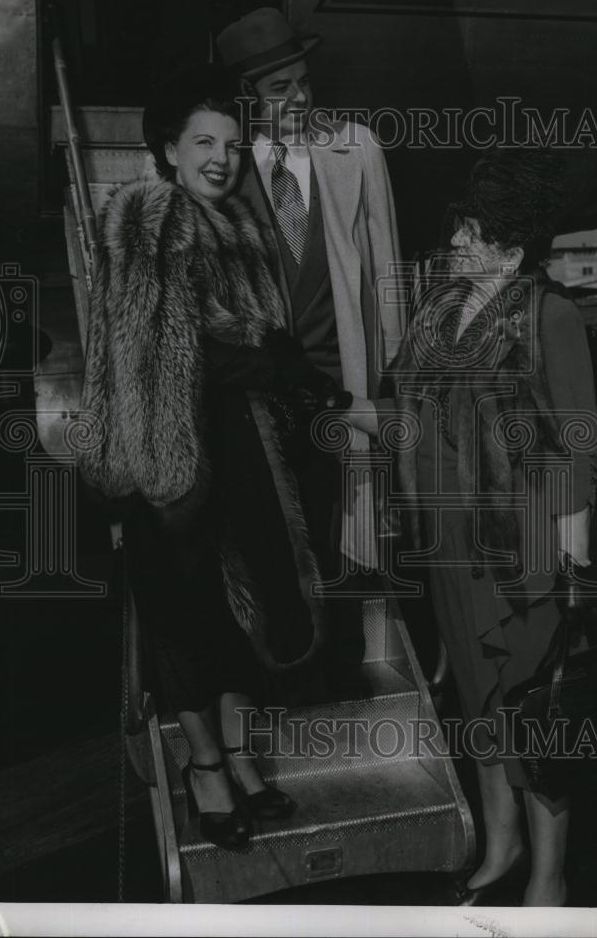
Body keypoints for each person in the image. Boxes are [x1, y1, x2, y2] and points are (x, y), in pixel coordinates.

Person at [78, 63, 349, 851]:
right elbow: (166, 353)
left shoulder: (239, 225)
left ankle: (238, 755)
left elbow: (251, 343)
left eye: (231, 143)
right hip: (170, 450)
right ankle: (204, 766)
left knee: (248, 607)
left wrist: (285, 374)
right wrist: (274, 363)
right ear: (167, 148)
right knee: (187, 616)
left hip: (240, 446)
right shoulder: (151, 216)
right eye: (202, 142)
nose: (220, 159)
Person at [391, 148, 597, 906]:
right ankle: (501, 842)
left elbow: (576, 448)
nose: (454, 243)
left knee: (536, 714)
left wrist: (573, 577)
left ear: (512, 252)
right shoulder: (440, 314)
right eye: (458, 230)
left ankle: (549, 874)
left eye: (471, 233)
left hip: (527, 550)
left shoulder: (552, 316)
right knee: (479, 701)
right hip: (453, 551)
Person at [216, 8, 405, 685]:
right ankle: (286, 677)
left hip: (342, 384)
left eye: (300, 82)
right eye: (276, 90)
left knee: (346, 534)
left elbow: (385, 270)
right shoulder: (227, 166)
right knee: (272, 537)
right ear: (248, 98)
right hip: (264, 396)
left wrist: (386, 384)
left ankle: (346, 676)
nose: (296, 100)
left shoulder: (355, 149)